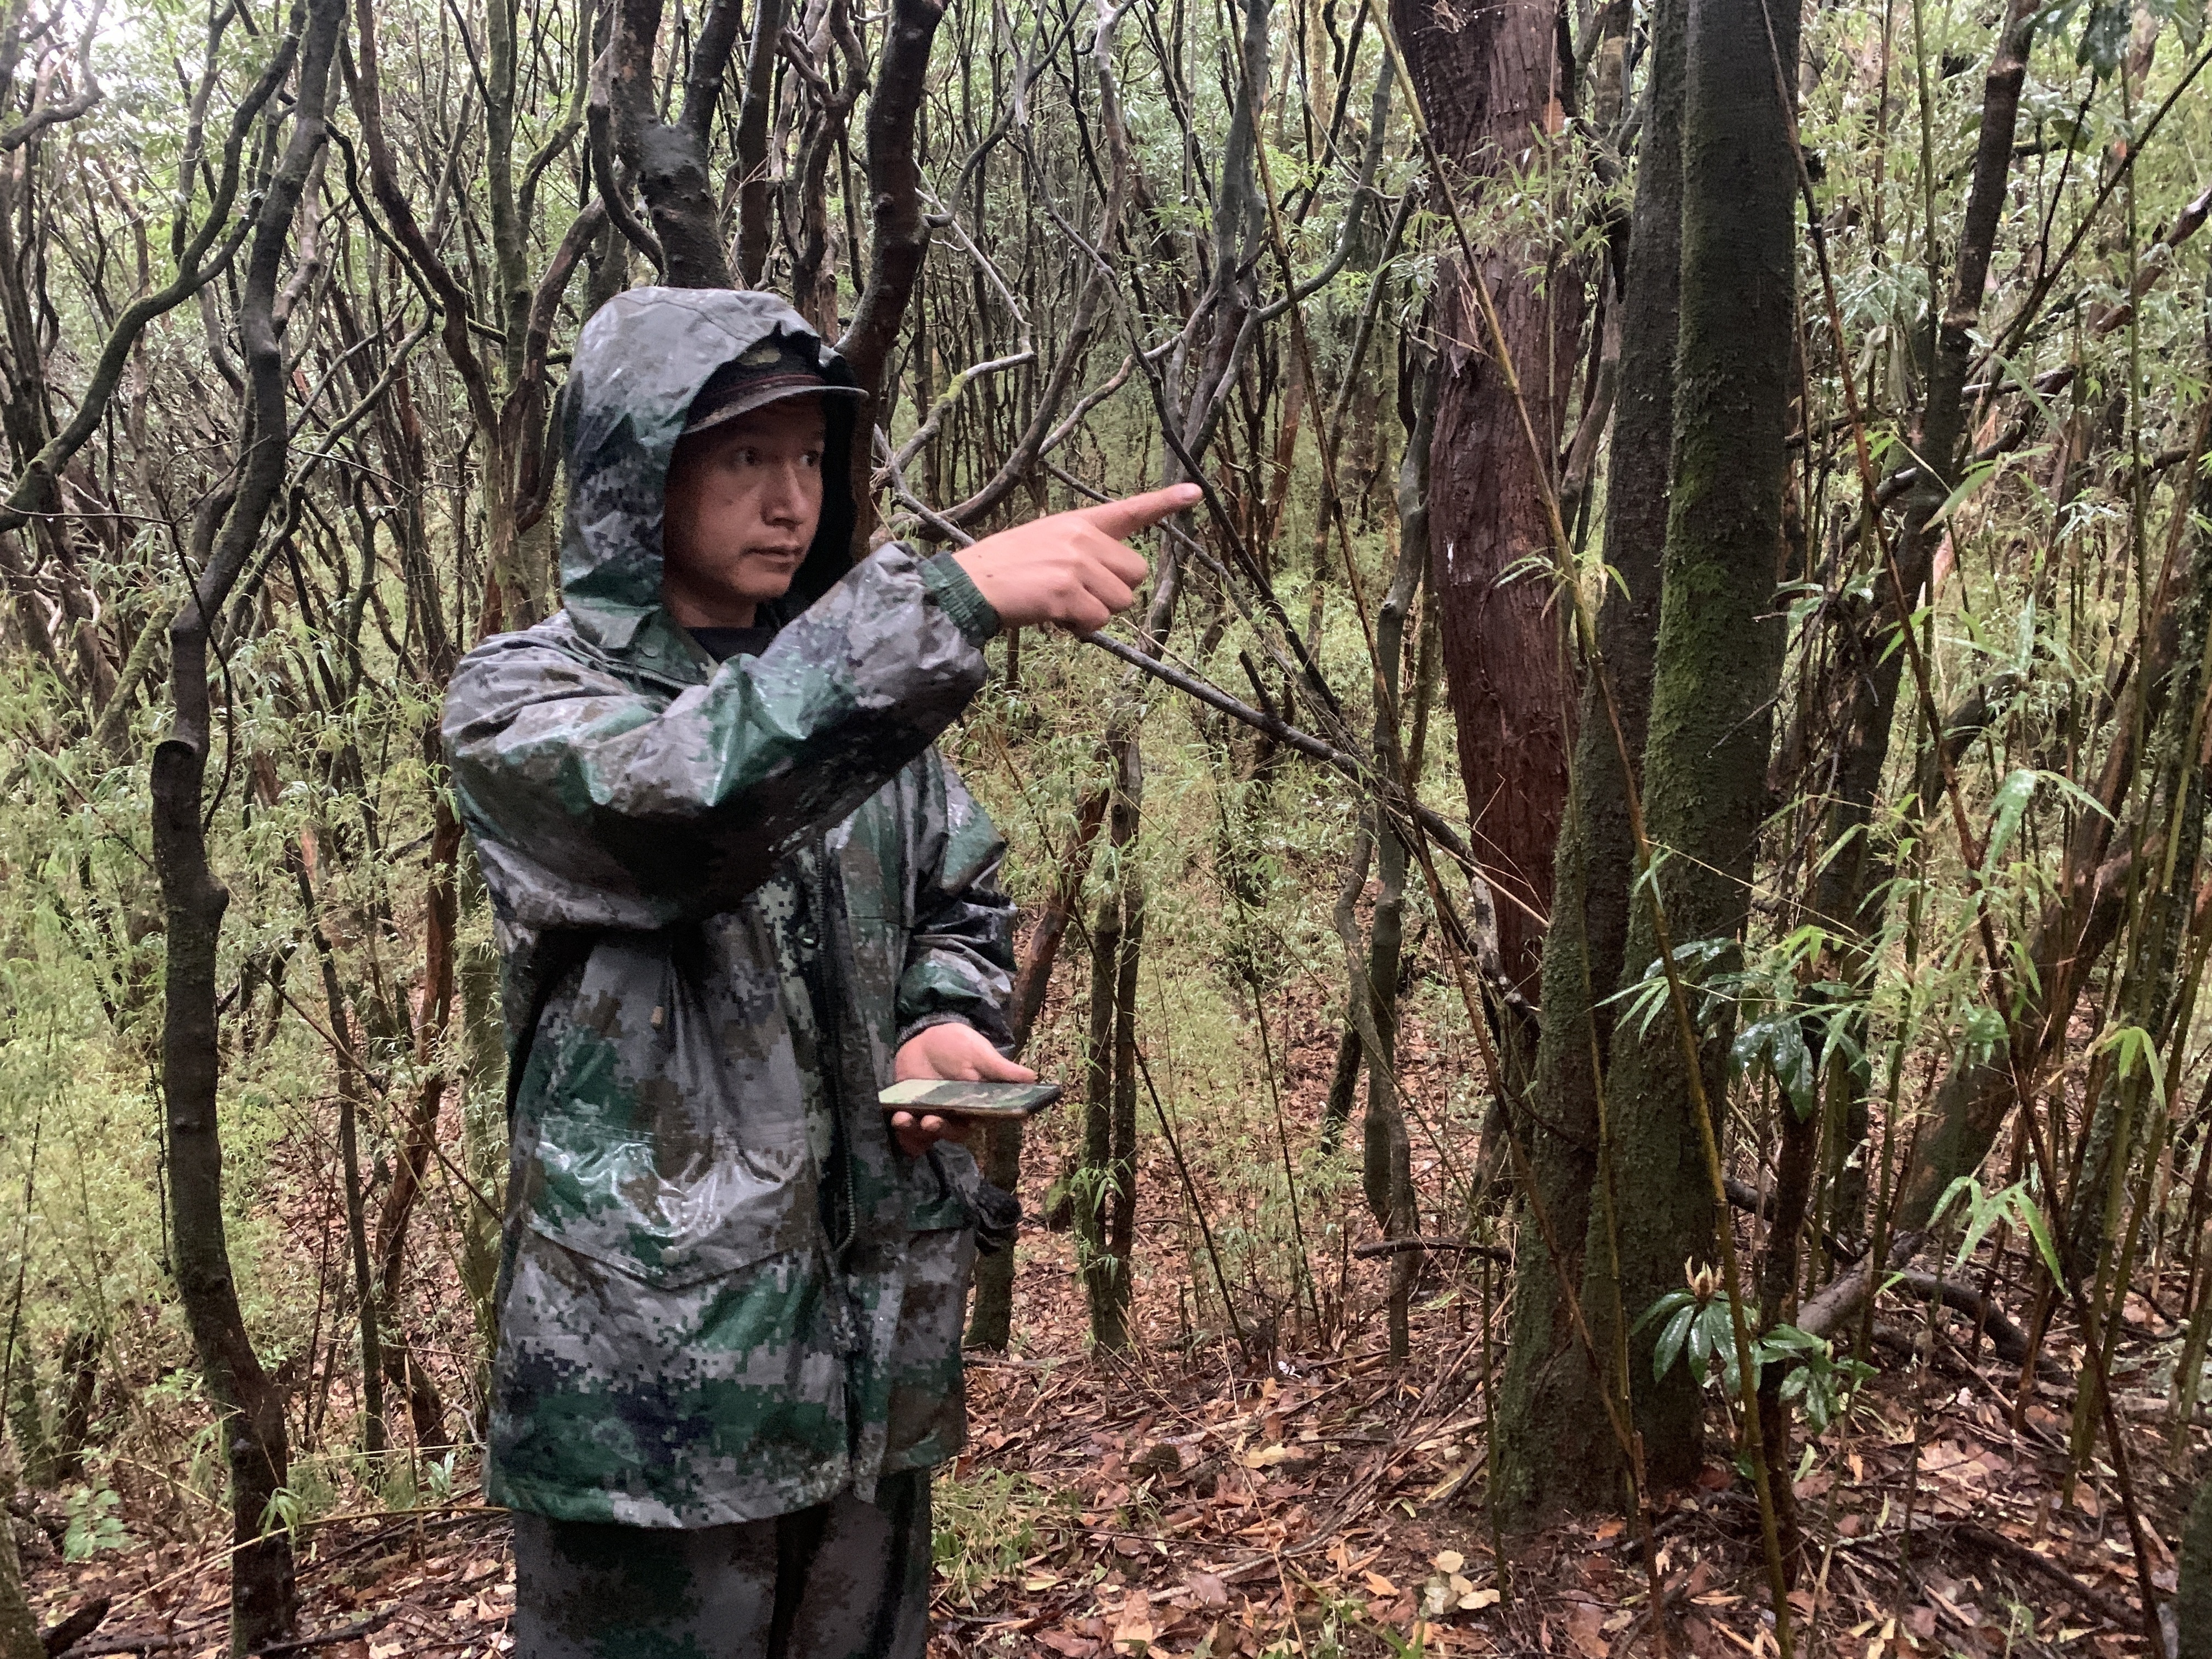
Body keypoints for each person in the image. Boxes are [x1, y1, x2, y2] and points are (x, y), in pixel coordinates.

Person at [442, 285, 1198, 1659]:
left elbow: (959, 886)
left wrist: (942, 1020)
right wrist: (948, 599)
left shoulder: (857, 707)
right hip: (653, 1391)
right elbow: (680, 812)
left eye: (810, 459)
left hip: (861, 1348)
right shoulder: (522, 702)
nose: (790, 499)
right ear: (636, 475)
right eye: (742, 459)